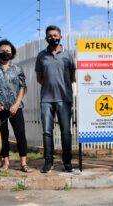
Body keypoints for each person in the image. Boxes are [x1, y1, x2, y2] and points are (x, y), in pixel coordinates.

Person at [0, 39, 32, 173]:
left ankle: (23, 163)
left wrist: (16, 105)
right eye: (2, 51)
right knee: (2, 135)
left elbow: (23, 87)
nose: (5, 53)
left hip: (15, 107)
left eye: (8, 51)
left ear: (12, 53)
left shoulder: (17, 69)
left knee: (20, 134)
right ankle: (6, 162)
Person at [35, 25, 76, 173]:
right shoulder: (41, 55)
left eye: (55, 35)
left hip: (64, 99)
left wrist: (62, 86)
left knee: (66, 131)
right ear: (46, 38)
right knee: (47, 131)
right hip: (46, 99)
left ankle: (67, 162)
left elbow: (72, 75)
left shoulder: (68, 54)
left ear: (61, 36)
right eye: (50, 35)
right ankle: (48, 161)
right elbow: (39, 77)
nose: (53, 37)